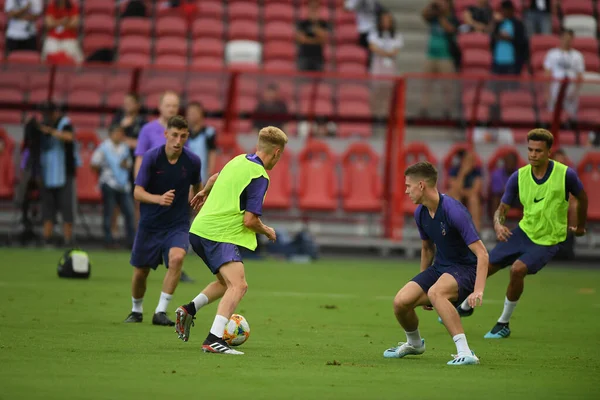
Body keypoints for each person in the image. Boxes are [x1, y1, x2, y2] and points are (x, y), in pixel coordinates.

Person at [455, 129, 588, 338]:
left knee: (517, 270)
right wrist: (499, 225)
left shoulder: (565, 175)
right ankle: (465, 305)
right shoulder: (519, 176)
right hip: (523, 232)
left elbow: (582, 197)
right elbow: (502, 209)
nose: (533, 154)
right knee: (485, 265)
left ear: (548, 152)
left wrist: (580, 226)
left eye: (538, 151)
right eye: (530, 150)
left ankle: (503, 323)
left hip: (549, 239)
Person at [173, 126, 287, 355]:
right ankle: (214, 338)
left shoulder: (239, 160)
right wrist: (267, 231)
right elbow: (249, 221)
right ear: (276, 152)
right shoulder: (260, 176)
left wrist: (205, 191)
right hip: (218, 234)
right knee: (239, 285)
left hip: (199, 230)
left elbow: (215, 177)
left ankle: (189, 309)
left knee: (225, 283)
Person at [383, 161, 488, 366]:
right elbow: (427, 248)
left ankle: (466, 352)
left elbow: (482, 254)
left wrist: (478, 290)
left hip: (465, 269)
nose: (406, 191)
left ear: (421, 185)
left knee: (436, 293)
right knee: (400, 303)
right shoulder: (420, 212)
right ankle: (414, 344)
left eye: (408, 186)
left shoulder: (453, 211)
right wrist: (423, 279)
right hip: (440, 269)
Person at [124, 116, 202, 326]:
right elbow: (137, 192)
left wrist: (198, 200)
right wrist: (158, 199)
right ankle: (136, 309)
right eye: (175, 135)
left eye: (183, 136)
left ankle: (160, 311)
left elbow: (198, 187)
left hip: (177, 224)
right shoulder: (151, 158)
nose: (178, 140)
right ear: (166, 134)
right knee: (141, 272)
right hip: (150, 224)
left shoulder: (193, 161)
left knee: (177, 258)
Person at [135, 90, 194, 283]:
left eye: (175, 106)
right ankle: (146, 263)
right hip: (153, 189)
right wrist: (139, 183)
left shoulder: (182, 131)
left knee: (177, 230)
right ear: (160, 107)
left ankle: (175, 267)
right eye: (168, 105)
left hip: (176, 190)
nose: (171, 109)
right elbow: (140, 157)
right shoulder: (148, 130)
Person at [38, 101, 77, 247]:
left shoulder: (65, 123)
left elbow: (69, 137)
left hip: (64, 172)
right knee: (47, 207)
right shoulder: (42, 124)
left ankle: (67, 239)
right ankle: (47, 238)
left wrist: (51, 131)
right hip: (47, 172)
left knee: (66, 206)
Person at [90, 125, 135, 248]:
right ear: (111, 134)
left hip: (123, 184)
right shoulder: (104, 148)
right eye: (117, 133)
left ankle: (131, 241)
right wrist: (104, 171)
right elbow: (94, 164)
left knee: (129, 213)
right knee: (109, 212)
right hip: (109, 183)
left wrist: (124, 165)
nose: (119, 136)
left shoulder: (124, 148)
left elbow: (129, 164)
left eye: (121, 133)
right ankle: (108, 240)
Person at [185, 101, 216, 184]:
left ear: (201, 114)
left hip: (202, 178)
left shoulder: (209, 133)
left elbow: (212, 153)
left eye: (195, 112)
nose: (192, 115)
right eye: (190, 113)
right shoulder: (183, 134)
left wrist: (210, 172)